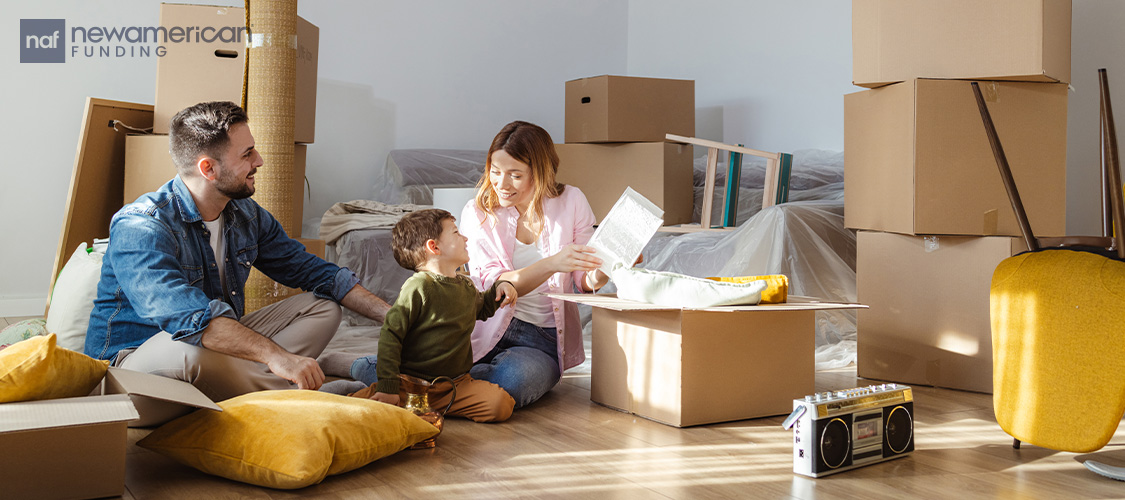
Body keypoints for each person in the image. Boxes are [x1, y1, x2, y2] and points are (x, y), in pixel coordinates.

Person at [85, 101, 393, 402]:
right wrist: (276, 356)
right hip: (130, 372)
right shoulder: (142, 225)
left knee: (323, 306)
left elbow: (314, 272)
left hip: (211, 355)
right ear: (208, 168)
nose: (259, 161)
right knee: (188, 350)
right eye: (247, 154)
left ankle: (262, 387)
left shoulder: (246, 215)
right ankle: (324, 395)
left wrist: (392, 317)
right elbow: (191, 320)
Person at [460, 120, 608, 410]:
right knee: (428, 359)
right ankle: (462, 390)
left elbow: (583, 279)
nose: (501, 184)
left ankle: (443, 388)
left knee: (514, 381)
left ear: (539, 173)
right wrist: (553, 264)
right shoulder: (479, 212)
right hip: (485, 329)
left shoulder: (572, 200)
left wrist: (608, 266)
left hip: (541, 338)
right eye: (495, 171)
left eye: (515, 175)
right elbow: (496, 288)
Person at [342, 208, 518, 422]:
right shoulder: (418, 286)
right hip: (410, 385)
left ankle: (425, 411)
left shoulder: (465, 286)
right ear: (433, 247)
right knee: (351, 412)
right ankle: (365, 387)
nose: (465, 237)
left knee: (501, 405)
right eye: (455, 233)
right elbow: (391, 335)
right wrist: (388, 387)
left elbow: (482, 309)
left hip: (455, 386)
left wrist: (501, 288)